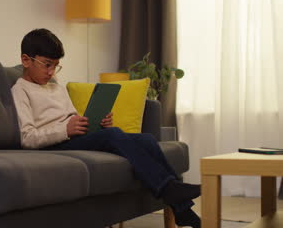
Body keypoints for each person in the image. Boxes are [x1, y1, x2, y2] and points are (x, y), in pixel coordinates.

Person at [11, 28, 201, 228]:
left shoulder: (55, 87)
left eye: (56, 66)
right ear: (26, 60)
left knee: (146, 139)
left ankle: (181, 209)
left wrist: (93, 123)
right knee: (113, 135)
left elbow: (71, 117)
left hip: (72, 138)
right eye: (47, 65)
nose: (51, 72)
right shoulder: (20, 90)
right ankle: (172, 191)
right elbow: (27, 137)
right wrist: (65, 130)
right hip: (52, 147)